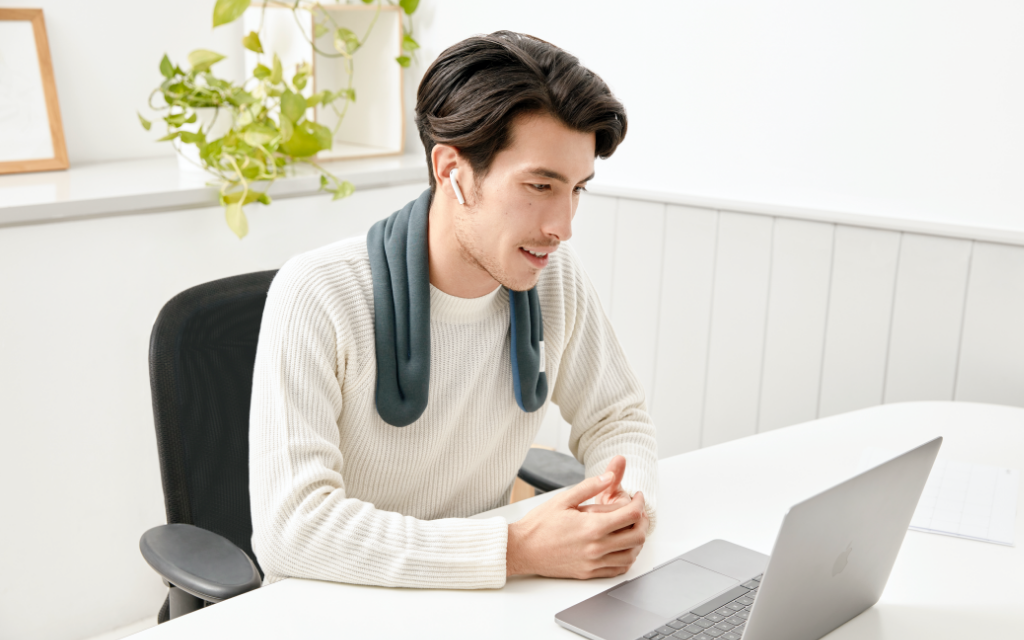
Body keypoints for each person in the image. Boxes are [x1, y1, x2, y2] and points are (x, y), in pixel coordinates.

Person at [249, 30, 658, 589]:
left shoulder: (553, 278)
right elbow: (292, 527)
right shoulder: (318, 294)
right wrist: (514, 550)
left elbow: (618, 417)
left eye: (577, 190)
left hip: (480, 602)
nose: (562, 226)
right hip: (335, 605)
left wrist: (623, 510)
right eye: (540, 185)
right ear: (452, 171)